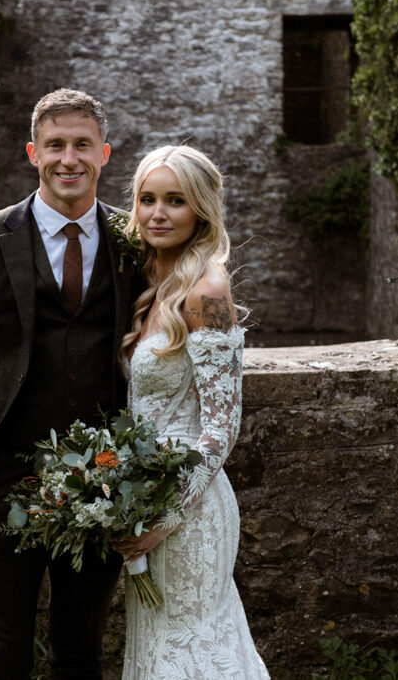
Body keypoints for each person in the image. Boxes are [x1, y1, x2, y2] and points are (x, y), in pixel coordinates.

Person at [0, 88, 137, 679]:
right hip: (0, 473)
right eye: (55, 145)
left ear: (104, 154)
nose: (69, 159)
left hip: (100, 479)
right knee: (2, 661)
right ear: (33, 153)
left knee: (80, 657)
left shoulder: (133, 241)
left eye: (82, 145)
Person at [112, 145, 270, 679]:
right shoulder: (152, 283)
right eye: (147, 199)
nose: (158, 213)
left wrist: (164, 519)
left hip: (189, 510)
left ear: (200, 210)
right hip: (146, 497)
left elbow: (221, 428)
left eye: (175, 201)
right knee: (157, 650)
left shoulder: (207, 291)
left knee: (194, 648)